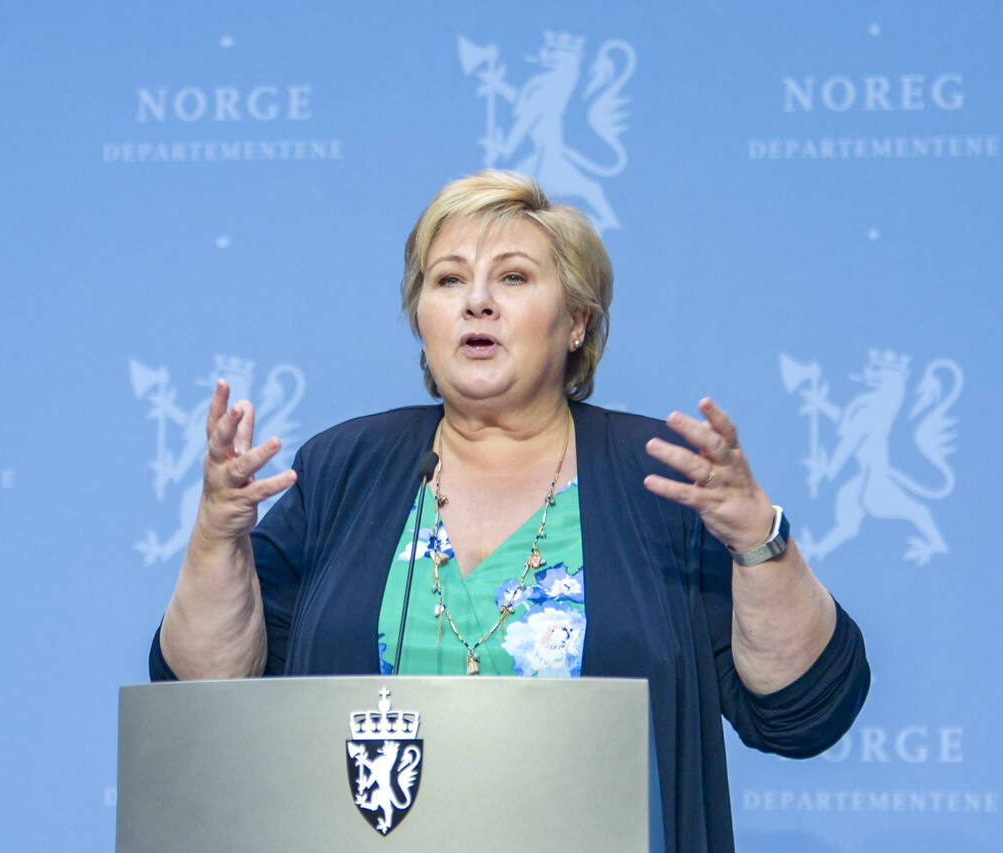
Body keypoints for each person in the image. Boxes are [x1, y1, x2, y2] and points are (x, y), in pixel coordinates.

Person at [150, 170, 869, 853]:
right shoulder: (346, 467)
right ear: (422, 318)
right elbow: (206, 696)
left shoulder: (658, 482)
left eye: (514, 278)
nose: (477, 302)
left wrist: (758, 541)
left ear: (577, 323)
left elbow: (800, 708)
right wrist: (216, 534)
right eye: (449, 279)